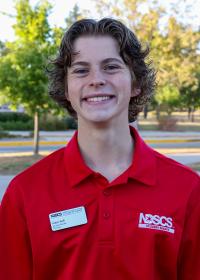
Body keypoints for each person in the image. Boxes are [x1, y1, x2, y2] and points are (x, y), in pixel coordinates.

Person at [0, 18, 200, 280]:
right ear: (67, 88)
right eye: (81, 70)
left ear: (136, 83)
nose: (96, 80)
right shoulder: (24, 193)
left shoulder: (187, 189)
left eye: (111, 67)